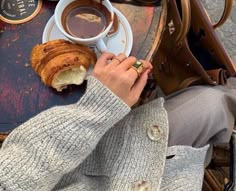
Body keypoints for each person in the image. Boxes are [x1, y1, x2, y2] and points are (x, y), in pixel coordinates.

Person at [0, 52, 235, 191]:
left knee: (210, 105)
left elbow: (13, 177)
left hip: (93, 163)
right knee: (212, 106)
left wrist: (98, 109)